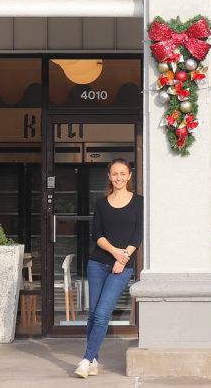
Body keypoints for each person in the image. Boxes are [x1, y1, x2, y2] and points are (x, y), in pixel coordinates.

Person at [75, 157, 143, 379]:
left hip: (121, 267)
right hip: (98, 263)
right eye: (115, 174)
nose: (119, 178)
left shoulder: (139, 202)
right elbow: (97, 235)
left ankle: (86, 359)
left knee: (103, 312)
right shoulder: (101, 203)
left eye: (123, 173)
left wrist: (122, 258)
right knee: (93, 313)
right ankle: (93, 359)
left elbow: (138, 234)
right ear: (109, 177)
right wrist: (115, 252)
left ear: (129, 175)